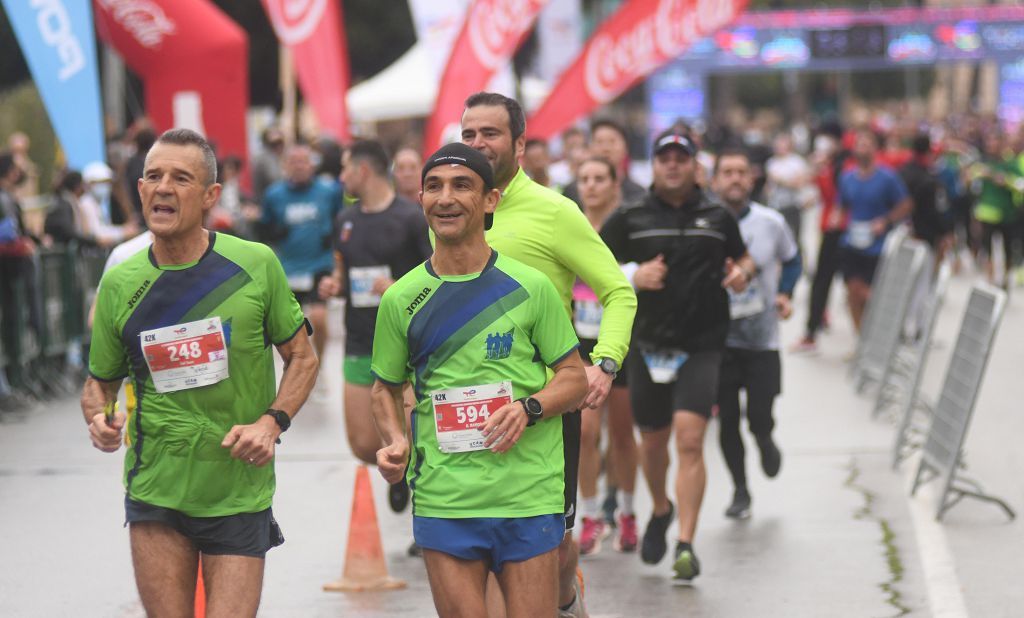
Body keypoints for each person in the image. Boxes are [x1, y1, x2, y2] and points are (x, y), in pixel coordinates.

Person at [81, 128, 318, 618]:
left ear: (211, 195)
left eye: (181, 178)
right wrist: (100, 417)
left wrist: (271, 422)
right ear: (142, 190)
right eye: (153, 176)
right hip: (155, 487)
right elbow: (100, 380)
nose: (163, 187)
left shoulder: (254, 265)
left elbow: (303, 357)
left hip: (237, 487)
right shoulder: (121, 283)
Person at [371, 142, 588, 618]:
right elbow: (384, 388)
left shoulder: (531, 287)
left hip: (527, 493)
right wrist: (394, 441)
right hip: (444, 496)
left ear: (490, 200)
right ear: (421, 200)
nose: (445, 198)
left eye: (461, 185)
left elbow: (574, 379)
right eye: (433, 187)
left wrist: (529, 408)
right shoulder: (401, 299)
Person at [460, 92, 636, 617]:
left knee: (553, 548)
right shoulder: (449, 207)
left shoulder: (556, 212)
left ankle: (565, 596)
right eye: (468, 134)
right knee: (480, 544)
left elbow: (618, 292)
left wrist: (604, 362)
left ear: (518, 143)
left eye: (489, 134)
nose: (476, 144)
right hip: (470, 403)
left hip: (545, 406)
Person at [601, 130, 755, 585]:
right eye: (664, 158)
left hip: (703, 343)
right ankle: (661, 509)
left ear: (694, 165)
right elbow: (592, 268)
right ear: (653, 165)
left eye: (680, 158)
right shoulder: (629, 217)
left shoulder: (717, 215)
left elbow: (744, 259)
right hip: (646, 345)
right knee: (653, 443)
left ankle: (685, 543)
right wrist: (633, 273)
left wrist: (742, 274)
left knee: (689, 440)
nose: (672, 165)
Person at [317, 140, 431, 512]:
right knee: (364, 444)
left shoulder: (412, 218)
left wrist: (398, 290)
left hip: (409, 345)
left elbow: (436, 277)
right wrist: (335, 283)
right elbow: (342, 269)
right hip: (360, 338)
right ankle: (401, 468)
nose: (341, 176)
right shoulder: (345, 220)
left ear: (363, 171)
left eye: (346, 168)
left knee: (417, 431)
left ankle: (418, 485)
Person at [711, 147, 800, 520]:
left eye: (740, 172)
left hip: (763, 338)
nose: (734, 178)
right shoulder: (706, 223)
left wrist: (785, 293)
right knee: (727, 418)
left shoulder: (771, 222)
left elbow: (793, 259)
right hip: (718, 340)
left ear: (752, 179)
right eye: (726, 171)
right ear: (715, 180)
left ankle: (764, 437)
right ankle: (740, 490)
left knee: (759, 415)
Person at [572, 156, 639, 556]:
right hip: (580, 343)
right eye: (585, 178)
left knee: (622, 434)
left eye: (600, 178)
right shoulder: (568, 224)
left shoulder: (629, 226)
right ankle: (593, 517)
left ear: (616, 184)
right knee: (585, 432)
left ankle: (628, 512)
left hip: (624, 344)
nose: (592, 186)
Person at [260, 144, 343, 361]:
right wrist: (276, 233)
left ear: (312, 165)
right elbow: (264, 228)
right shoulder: (274, 195)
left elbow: (340, 219)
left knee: (319, 317)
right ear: (285, 166)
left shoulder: (328, 191)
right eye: (293, 162)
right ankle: (300, 366)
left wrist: (331, 236)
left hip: (319, 263)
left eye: (303, 161)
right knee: (290, 327)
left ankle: (321, 364)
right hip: (289, 267)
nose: (299, 166)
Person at [837, 129, 912, 331]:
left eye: (867, 144)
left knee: (871, 294)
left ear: (875, 149)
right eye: (859, 144)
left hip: (878, 246)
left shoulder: (887, 177)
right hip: (852, 243)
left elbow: (905, 204)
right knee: (852, 292)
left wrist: (885, 221)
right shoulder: (846, 177)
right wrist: (839, 223)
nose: (862, 148)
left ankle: (879, 335)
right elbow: (842, 206)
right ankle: (860, 340)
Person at [792, 132, 848, 354]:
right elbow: (810, 184)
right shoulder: (829, 166)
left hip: (840, 230)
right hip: (829, 229)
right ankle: (814, 326)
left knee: (838, 282)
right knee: (823, 280)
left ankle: (814, 328)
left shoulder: (843, 167)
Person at [968, 132, 1022, 289]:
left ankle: (1005, 278)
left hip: (1008, 214)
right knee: (987, 247)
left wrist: (1004, 180)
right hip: (987, 214)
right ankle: (990, 279)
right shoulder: (982, 163)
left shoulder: (1010, 164)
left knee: (1008, 248)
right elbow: (970, 181)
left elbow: (1020, 184)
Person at [563, 119, 645, 208]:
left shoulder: (638, 195)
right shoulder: (571, 192)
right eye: (599, 142)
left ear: (626, 147)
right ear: (589, 148)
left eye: (612, 141)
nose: (606, 148)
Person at [901, 133, 952, 263]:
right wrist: (946, 232)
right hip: (925, 237)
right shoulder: (930, 181)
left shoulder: (902, 173)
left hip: (903, 233)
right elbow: (938, 210)